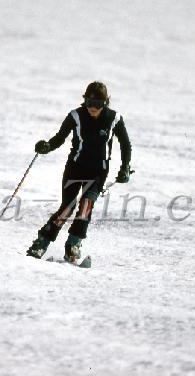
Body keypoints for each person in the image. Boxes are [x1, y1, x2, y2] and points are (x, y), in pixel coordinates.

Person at [27, 81, 132, 261]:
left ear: (105, 103)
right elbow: (60, 138)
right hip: (75, 168)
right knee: (67, 208)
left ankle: (73, 244)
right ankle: (41, 242)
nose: (92, 108)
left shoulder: (114, 118)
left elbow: (125, 144)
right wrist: (47, 146)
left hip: (98, 172)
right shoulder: (75, 116)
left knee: (86, 206)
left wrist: (125, 167)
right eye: (89, 103)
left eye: (97, 104)